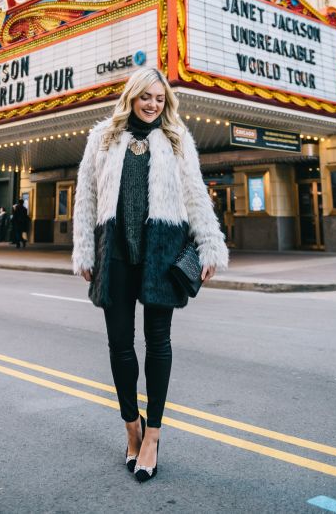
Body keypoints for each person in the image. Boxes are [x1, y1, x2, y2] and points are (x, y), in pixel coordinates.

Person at [72, 67, 228, 482]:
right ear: (132, 96)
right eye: (146, 97)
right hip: (116, 252)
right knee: (120, 346)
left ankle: (154, 436)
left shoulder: (178, 139)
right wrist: (84, 249)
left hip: (163, 249)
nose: (153, 104)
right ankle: (131, 429)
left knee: (158, 344)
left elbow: (196, 195)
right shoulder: (103, 137)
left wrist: (210, 245)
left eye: (159, 98)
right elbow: (85, 196)